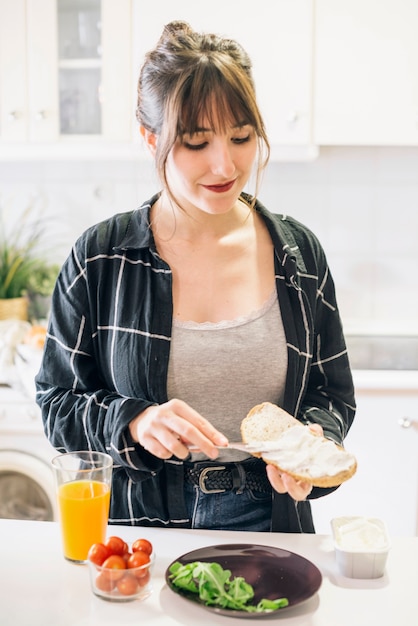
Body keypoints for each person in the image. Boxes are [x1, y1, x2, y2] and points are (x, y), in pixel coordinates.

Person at [35, 21, 356, 533]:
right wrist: (134, 421)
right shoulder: (101, 258)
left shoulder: (299, 255)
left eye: (241, 137)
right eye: (195, 142)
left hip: (272, 525)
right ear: (150, 138)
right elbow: (57, 403)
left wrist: (314, 449)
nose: (224, 163)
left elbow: (332, 395)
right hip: (143, 526)